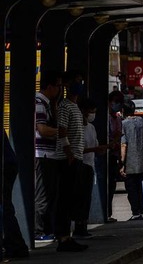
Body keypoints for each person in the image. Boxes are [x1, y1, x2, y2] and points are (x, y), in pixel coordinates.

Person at [53, 72, 88, 252]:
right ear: (67, 85)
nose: (79, 85)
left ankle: (67, 235)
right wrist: (68, 153)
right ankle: (63, 238)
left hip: (76, 157)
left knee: (73, 198)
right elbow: (61, 130)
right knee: (65, 199)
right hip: (68, 158)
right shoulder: (65, 106)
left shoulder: (75, 106)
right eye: (76, 82)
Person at [34, 70, 61, 242]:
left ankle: (46, 229)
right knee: (42, 195)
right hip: (42, 154)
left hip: (49, 155)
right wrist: (61, 133)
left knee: (49, 194)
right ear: (50, 86)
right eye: (58, 86)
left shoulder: (49, 104)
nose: (60, 89)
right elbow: (42, 130)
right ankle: (38, 231)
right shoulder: (39, 103)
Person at [75, 97, 106, 237]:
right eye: (91, 111)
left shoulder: (91, 128)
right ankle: (78, 226)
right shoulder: (77, 127)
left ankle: (83, 225)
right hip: (80, 164)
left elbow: (95, 145)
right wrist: (95, 149)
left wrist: (101, 149)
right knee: (79, 197)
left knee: (86, 197)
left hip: (89, 164)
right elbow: (78, 149)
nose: (93, 114)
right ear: (83, 111)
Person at [120, 99, 143, 221]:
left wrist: (122, 163)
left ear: (123, 111)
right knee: (140, 187)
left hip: (130, 163)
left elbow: (123, 145)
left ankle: (136, 213)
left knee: (131, 189)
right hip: (140, 162)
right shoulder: (141, 122)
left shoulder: (124, 124)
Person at [3, 131, 29, 259]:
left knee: (5, 208)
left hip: (4, 165)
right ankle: (15, 245)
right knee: (5, 206)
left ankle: (16, 246)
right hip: (8, 164)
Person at [107, 90, 124, 223]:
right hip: (105, 154)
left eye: (119, 103)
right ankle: (104, 212)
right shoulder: (105, 117)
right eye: (115, 102)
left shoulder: (118, 117)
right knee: (106, 184)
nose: (117, 105)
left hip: (114, 155)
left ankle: (108, 213)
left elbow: (119, 134)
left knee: (112, 184)